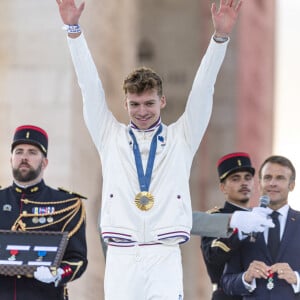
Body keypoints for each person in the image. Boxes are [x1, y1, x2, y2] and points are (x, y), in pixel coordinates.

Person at [55, 0, 272, 299]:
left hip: (164, 253)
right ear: (126, 104)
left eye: (148, 103)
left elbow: (203, 89)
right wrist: (73, 31)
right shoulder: (109, 136)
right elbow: (88, 86)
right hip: (122, 255)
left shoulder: (182, 138)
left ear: (162, 102)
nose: (141, 111)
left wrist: (219, 38)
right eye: (134, 105)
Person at [0, 125, 88, 300]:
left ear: (44, 162)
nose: (24, 157)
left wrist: (58, 273)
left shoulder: (66, 204)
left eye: (32, 152)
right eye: (19, 152)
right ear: (11, 159)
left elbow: (77, 259)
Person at [221, 155, 300, 299]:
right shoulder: (243, 220)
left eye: (280, 178)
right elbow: (226, 282)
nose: (272, 183)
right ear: (259, 183)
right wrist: (246, 277)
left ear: (292, 185)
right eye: (267, 177)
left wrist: (296, 279)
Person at [201, 152, 255, 300]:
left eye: (248, 178)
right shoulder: (214, 217)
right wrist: (241, 231)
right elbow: (213, 255)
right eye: (235, 179)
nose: (244, 183)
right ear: (223, 187)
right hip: (227, 295)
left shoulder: (261, 218)